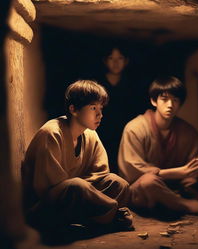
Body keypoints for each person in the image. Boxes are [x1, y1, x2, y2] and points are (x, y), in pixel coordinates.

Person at [21, 80, 133, 232]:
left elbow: (99, 175)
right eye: (93, 108)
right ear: (73, 109)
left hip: (78, 197)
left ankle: (98, 219)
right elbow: (50, 188)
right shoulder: (52, 133)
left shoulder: (90, 134)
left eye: (101, 108)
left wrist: (90, 194)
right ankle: (109, 216)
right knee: (76, 186)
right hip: (46, 207)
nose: (100, 114)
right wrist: (98, 199)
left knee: (119, 184)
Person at [118, 76, 198, 215]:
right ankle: (186, 206)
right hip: (143, 191)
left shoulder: (188, 132)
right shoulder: (135, 128)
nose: (170, 105)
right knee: (148, 182)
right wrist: (178, 172)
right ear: (154, 101)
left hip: (175, 189)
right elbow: (131, 171)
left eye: (175, 100)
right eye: (164, 99)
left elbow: (196, 164)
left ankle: (171, 204)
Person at [96, 45, 143, 173]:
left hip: (125, 132)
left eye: (120, 58)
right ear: (105, 61)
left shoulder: (132, 84)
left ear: (126, 61)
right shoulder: (97, 84)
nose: (116, 63)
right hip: (101, 132)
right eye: (111, 58)